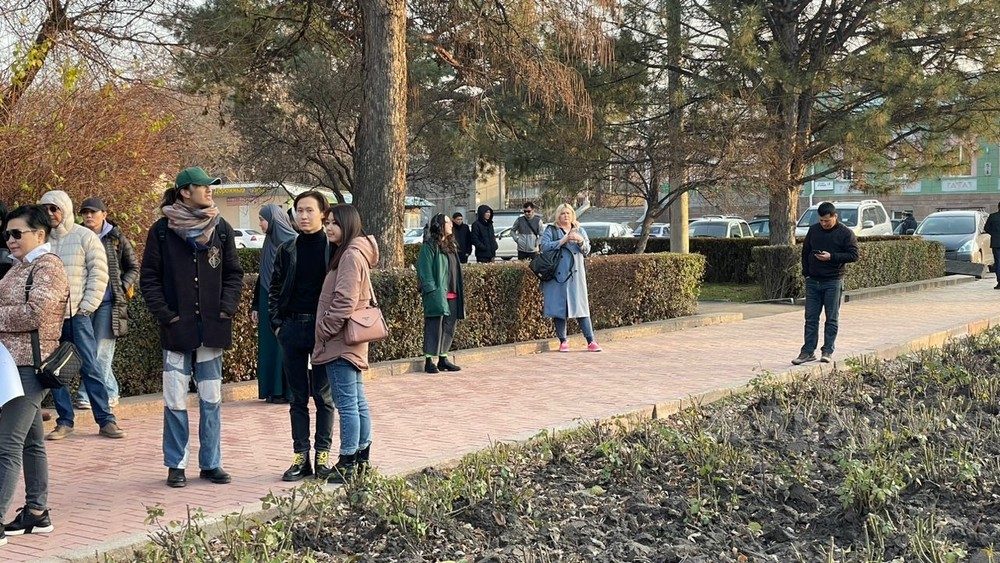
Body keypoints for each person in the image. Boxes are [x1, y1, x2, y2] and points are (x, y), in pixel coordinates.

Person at [140, 166, 243, 488]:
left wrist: (226, 309)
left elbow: (233, 274)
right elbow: (149, 279)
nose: (210, 190)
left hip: (212, 330)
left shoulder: (221, 228)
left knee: (211, 399)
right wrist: (167, 315)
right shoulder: (161, 231)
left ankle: (211, 463)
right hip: (177, 331)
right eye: (203, 185)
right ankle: (176, 464)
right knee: (174, 400)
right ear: (185, 191)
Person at [0, 205, 68, 544]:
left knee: (6, 444)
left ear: (40, 234)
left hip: (30, 366)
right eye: (7, 234)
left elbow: (35, 314)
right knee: (31, 441)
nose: (10, 240)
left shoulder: (49, 266)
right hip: (12, 365)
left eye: (17, 233)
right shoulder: (20, 267)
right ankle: (37, 513)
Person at [39, 191, 123, 441]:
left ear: (65, 209)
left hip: (78, 316)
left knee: (91, 367)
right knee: (55, 371)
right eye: (45, 209)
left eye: (54, 208)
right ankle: (65, 421)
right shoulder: (41, 239)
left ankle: (106, 420)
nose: (50, 214)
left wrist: (87, 306)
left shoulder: (84, 236)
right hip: (50, 319)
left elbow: (99, 273)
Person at [269, 191, 335, 482]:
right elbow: (274, 288)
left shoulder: (334, 248)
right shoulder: (287, 249)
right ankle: (301, 456)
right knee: (297, 397)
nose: (303, 216)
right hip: (292, 329)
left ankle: (323, 456)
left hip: (324, 330)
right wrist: (278, 325)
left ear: (323, 214)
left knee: (323, 396)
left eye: (309, 210)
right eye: (299, 210)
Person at [314, 204, 378, 483]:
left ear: (348, 225)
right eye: (327, 222)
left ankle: (348, 462)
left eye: (334, 223)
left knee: (347, 404)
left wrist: (324, 330)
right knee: (357, 401)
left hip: (340, 341)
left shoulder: (350, 255)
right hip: (350, 339)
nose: (329, 227)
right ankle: (361, 459)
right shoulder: (356, 251)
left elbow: (344, 301)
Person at [72, 198, 139, 411]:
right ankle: (110, 390)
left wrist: (121, 286)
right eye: (85, 212)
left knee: (101, 349)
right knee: (86, 350)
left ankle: (87, 394)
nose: (88, 216)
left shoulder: (116, 237)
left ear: (104, 214)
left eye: (93, 212)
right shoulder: (77, 236)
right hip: (83, 302)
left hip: (109, 303)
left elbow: (133, 266)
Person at [792, 201, 860, 365]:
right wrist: (807, 273)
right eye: (821, 220)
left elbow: (853, 255)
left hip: (833, 281)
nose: (824, 223)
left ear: (835, 216)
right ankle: (807, 352)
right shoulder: (814, 230)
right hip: (813, 281)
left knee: (831, 318)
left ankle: (827, 350)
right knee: (810, 318)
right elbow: (805, 251)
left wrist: (832, 257)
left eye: (827, 221)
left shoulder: (845, 233)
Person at [540, 203, 602, 353]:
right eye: (562, 213)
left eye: (568, 213)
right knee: (559, 308)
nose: (566, 216)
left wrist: (580, 241)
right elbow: (544, 246)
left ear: (572, 215)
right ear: (558, 216)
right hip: (557, 275)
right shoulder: (551, 230)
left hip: (576, 275)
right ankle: (563, 340)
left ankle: (591, 340)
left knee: (581, 307)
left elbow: (587, 250)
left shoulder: (580, 230)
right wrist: (562, 241)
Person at [252, 204, 297, 404]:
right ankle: (272, 389)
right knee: (269, 346)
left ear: (274, 220)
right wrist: (256, 305)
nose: (260, 224)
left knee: (283, 345)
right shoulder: (269, 243)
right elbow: (262, 275)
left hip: (285, 303)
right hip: (266, 300)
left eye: (262, 220)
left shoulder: (292, 243)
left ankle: (287, 391)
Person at [416, 213, 466, 374]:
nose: (451, 224)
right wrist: (431, 290)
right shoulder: (429, 246)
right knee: (434, 325)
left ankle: (443, 358)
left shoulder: (451, 245)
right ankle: (429, 360)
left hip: (452, 292)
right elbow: (424, 270)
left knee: (449, 325)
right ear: (439, 226)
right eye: (447, 222)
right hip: (437, 293)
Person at [984, 202, 1000, 289]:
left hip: (996, 243)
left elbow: (986, 228)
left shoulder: (993, 216)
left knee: (998, 262)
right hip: (996, 242)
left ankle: (999, 282)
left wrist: (994, 234)